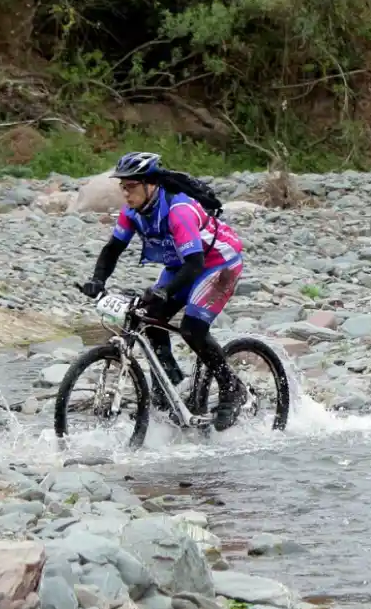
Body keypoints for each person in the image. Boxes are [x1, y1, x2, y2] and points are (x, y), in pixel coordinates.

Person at [80, 151, 247, 430]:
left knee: (193, 328)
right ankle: (172, 384)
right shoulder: (132, 212)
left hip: (217, 263)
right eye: (123, 186)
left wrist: (165, 291)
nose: (125, 193)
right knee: (149, 317)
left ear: (151, 185)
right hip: (181, 263)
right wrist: (98, 280)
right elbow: (113, 249)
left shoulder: (178, 211)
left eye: (131, 186)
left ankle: (232, 388)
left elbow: (195, 265)